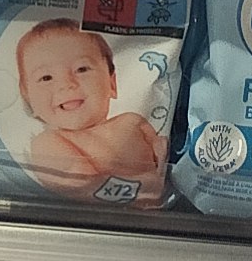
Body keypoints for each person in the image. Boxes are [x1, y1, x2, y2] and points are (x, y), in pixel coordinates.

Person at [12, 20, 164, 190]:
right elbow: (86, 186)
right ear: (27, 97)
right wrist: (149, 184)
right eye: (46, 78)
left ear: (111, 83)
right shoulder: (47, 144)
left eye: (82, 69)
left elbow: (163, 154)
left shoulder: (133, 122)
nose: (67, 84)